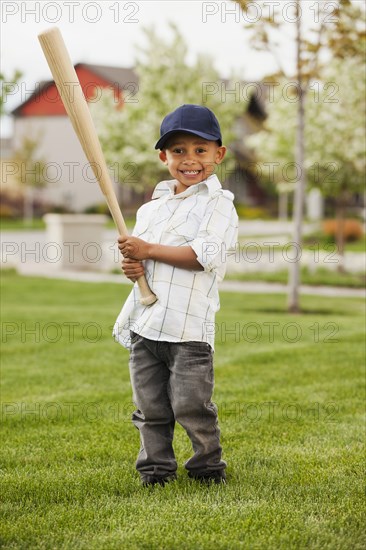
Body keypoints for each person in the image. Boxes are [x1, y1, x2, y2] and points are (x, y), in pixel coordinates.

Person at [113, 104, 238, 487]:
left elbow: (203, 257)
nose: (189, 159)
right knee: (149, 407)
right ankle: (155, 470)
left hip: (188, 330)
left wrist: (147, 251)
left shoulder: (220, 206)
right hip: (146, 325)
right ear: (163, 156)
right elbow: (142, 260)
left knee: (190, 406)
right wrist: (134, 267)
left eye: (201, 150)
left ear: (219, 154)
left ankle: (207, 467)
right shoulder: (152, 208)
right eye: (179, 150)